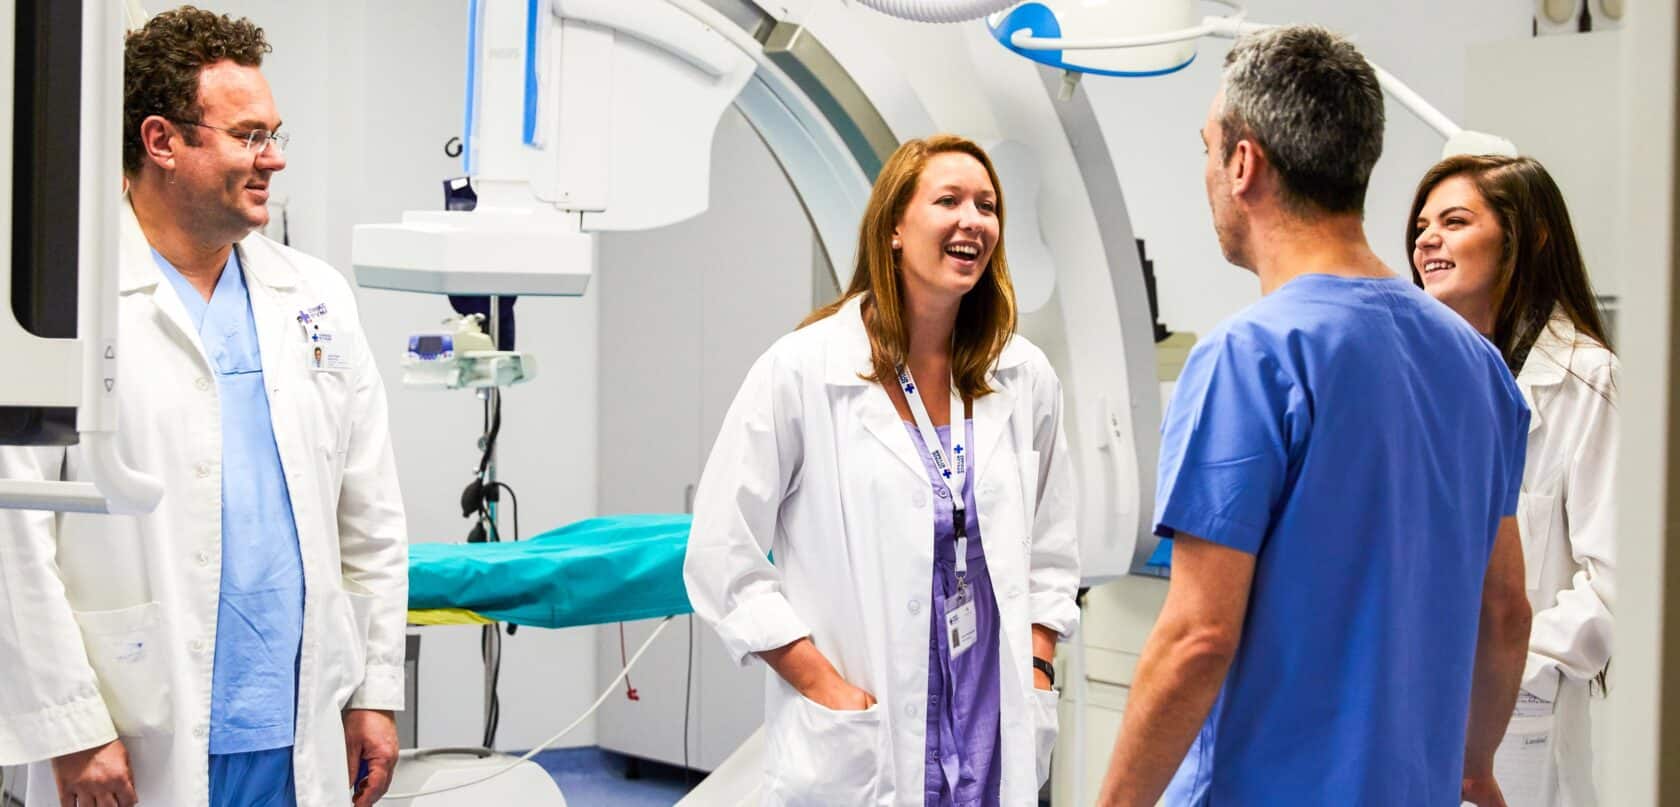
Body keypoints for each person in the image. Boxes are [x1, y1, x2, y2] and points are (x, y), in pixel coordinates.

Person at [1095, 26, 1533, 806]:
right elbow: (1504, 611)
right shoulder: (1480, 368)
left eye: (1206, 149)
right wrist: (1473, 766)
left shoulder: (1251, 357)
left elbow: (1198, 637)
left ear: (1243, 163)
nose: (1206, 174)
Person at [0, 8, 408, 807]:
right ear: (162, 142)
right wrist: (72, 726)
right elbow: (13, 535)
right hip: (133, 727)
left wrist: (374, 689)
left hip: (295, 726)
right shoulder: (57, 305)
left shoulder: (315, 297)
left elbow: (372, 518)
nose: (274, 158)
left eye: (275, 134)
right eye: (250, 136)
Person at [683, 134, 1080, 806]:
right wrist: (822, 686)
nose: (973, 220)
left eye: (987, 206)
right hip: (866, 732)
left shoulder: (1022, 376)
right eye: (948, 200)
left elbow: (1050, 548)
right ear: (894, 227)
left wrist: (1039, 665)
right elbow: (722, 556)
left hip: (992, 721)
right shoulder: (804, 370)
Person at [1410, 154, 1618, 807]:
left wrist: (1501, 672)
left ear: (1527, 238)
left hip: (1529, 719)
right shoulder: (1429, 380)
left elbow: (1616, 586)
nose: (1425, 239)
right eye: (1420, 225)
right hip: (1424, 715)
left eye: (1454, 220)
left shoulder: (1587, 379)